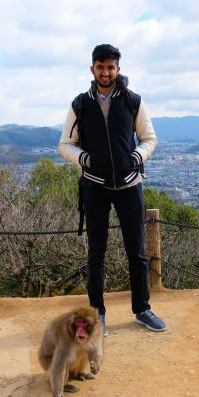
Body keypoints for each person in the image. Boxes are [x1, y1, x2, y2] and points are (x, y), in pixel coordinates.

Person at [58, 44, 166, 336]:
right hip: (95, 186)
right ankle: (97, 314)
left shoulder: (132, 101)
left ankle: (142, 309)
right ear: (92, 69)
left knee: (138, 251)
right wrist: (87, 159)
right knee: (96, 252)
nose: (105, 72)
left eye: (111, 67)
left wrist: (135, 157)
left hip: (130, 184)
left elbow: (149, 138)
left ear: (118, 69)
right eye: (100, 67)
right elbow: (65, 144)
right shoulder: (80, 104)